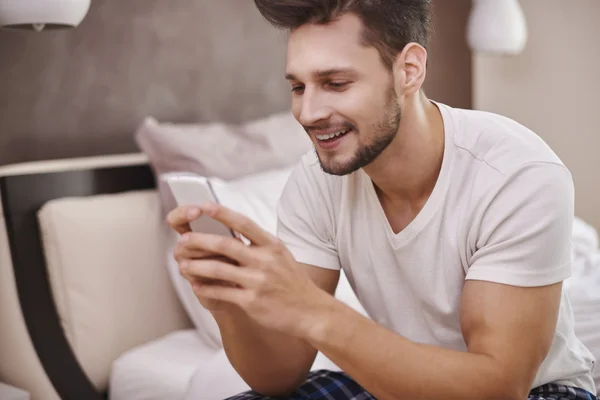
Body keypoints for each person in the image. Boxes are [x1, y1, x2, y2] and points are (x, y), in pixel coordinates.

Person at [168, 0, 598, 399]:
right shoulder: (317, 181)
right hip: (398, 381)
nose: (307, 112)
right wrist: (229, 305)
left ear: (409, 69)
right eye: (298, 87)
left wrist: (314, 310)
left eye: (335, 83)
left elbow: (499, 386)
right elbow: (278, 376)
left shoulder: (518, 175)